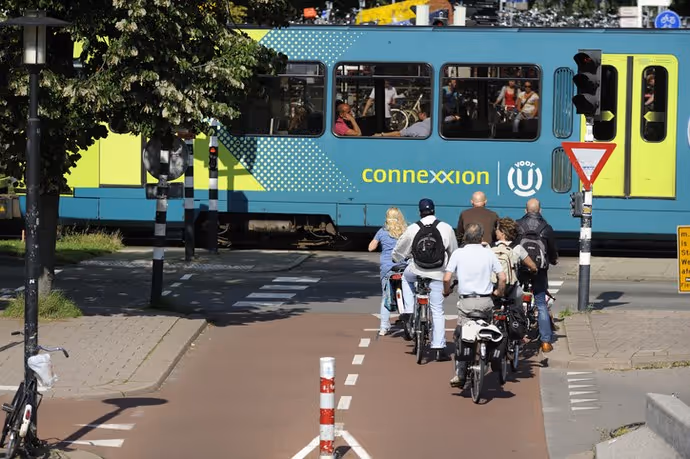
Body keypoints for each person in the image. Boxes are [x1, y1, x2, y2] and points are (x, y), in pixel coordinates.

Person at [392, 198, 458, 362]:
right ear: (434, 210)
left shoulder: (413, 228)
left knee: (406, 278)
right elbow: (454, 252)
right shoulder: (446, 228)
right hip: (437, 273)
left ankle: (408, 311)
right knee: (437, 309)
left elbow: (399, 251)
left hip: (417, 269)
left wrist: (396, 258)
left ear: (419, 212)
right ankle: (438, 347)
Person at [443, 223, 506, 388]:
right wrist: (499, 292)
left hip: (466, 302)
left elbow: (446, 278)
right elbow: (503, 277)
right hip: (486, 302)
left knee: (461, 335)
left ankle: (460, 373)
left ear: (465, 237)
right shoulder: (489, 254)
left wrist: (446, 291)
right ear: (481, 237)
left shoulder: (458, 253)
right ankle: (490, 357)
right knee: (488, 328)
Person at [516, 198, 559, 353]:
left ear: (525, 210)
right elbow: (552, 250)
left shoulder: (517, 225)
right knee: (541, 303)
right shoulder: (546, 228)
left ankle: (516, 334)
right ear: (540, 210)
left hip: (521, 268)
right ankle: (546, 341)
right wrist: (553, 260)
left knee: (515, 300)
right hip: (539, 270)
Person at [368, 207, 408, 336]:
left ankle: (384, 327)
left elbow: (371, 248)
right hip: (404, 267)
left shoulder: (382, 231)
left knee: (386, 297)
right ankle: (410, 321)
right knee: (409, 294)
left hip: (387, 268)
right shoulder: (406, 231)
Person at [492, 217, 538, 308]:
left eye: (497, 229)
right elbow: (532, 266)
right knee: (519, 305)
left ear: (502, 232)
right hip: (511, 288)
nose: (495, 231)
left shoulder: (490, 248)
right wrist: (534, 270)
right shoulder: (517, 248)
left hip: (493, 288)